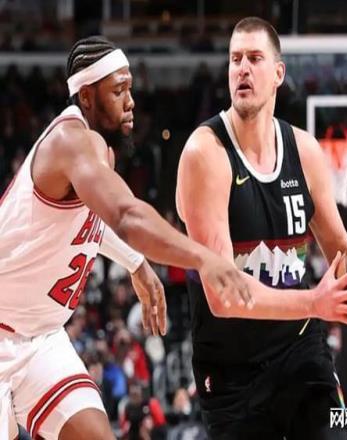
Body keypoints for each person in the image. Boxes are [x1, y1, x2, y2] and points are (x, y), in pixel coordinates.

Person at [0, 36, 251, 440]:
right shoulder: (71, 142)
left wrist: (137, 263)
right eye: (118, 91)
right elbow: (126, 216)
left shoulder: (100, 153)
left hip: (42, 338)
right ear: (86, 96)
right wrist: (203, 257)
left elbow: (93, 224)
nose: (131, 101)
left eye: (130, 88)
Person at [176, 17, 347, 439]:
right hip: (232, 372)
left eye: (254, 58)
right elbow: (222, 297)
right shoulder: (205, 154)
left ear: (278, 73)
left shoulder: (304, 150)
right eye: (235, 59)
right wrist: (314, 302)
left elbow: (341, 249)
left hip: (301, 352)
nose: (242, 69)